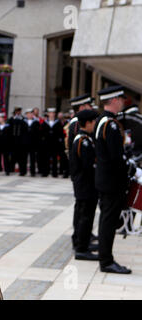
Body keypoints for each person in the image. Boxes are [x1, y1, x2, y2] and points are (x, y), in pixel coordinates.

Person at [94, 85, 138, 274]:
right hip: (112, 181)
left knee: (107, 220)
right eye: (120, 100)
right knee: (109, 221)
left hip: (107, 180)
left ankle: (106, 258)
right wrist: (131, 168)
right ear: (113, 100)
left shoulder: (105, 121)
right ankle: (106, 261)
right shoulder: (109, 124)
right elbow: (115, 157)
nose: (122, 103)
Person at [70, 109, 99, 260]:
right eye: (94, 122)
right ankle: (81, 248)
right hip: (85, 185)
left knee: (85, 215)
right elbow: (89, 166)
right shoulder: (83, 141)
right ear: (87, 123)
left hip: (85, 185)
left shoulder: (85, 139)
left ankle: (83, 241)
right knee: (85, 217)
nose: (95, 124)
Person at [8, 107, 28, 175]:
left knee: (21, 157)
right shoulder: (11, 119)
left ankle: (22, 171)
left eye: (19, 111)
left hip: (21, 142)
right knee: (12, 156)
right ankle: (11, 169)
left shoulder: (23, 119)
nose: (18, 112)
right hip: (13, 141)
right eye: (17, 111)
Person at [24, 109, 40, 176]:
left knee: (32, 158)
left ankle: (32, 172)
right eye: (28, 114)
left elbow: (38, 133)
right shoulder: (23, 122)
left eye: (31, 113)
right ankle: (23, 171)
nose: (29, 115)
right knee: (23, 158)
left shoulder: (36, 122)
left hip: (33, 143)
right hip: (24, 143)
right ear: (26, 115)